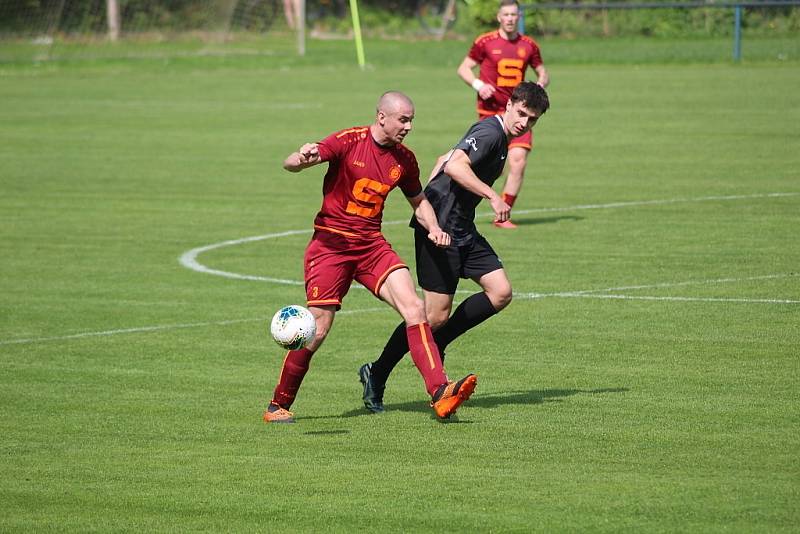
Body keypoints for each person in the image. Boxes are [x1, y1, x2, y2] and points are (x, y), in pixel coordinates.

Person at [263, 91, 478, 423]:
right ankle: (278, 404)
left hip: (371, 246)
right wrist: (301, 156)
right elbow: (291, 163)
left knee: (414, 308)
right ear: (382, 117)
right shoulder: (348, 141)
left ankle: (440, 392)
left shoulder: (405, 159)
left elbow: (418, 200)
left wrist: (433, 227)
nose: (408, 126)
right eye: (403, 120)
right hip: (330, 246)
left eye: (411, 120)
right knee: (318, 328)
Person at [358, 81, 549, 414]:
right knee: (433, 317)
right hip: (440, 232)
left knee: (500, 292)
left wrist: (432, 190)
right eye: (521, 114)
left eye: (531, 120)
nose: (524, 123)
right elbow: (454, 166)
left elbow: (443, 157)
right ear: (509, 104)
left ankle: (440, 342)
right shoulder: (491, 133)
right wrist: (490, 196)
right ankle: (377, 372)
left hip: (463, 229)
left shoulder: (501, 139)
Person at [456, 0, 549, 229]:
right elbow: (463, 68)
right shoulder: (485, 42)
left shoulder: (529, 45)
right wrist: (479, 85)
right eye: (506, 14)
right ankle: (461, 205)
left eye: (514, 15)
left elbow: (543, 73)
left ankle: (503, 214)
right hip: (491, 113)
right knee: (485, 166)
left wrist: (539, 85)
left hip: (521, 114)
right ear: (499, 17)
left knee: (518, 163)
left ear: (519, 17)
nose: (510, 18)